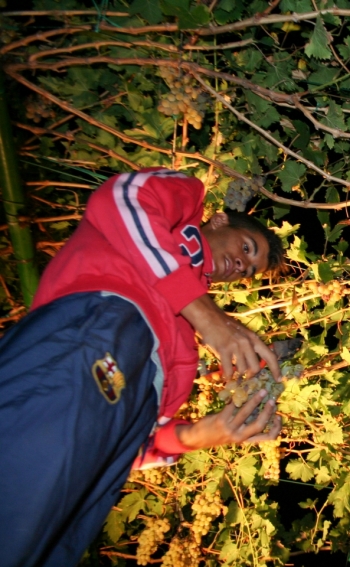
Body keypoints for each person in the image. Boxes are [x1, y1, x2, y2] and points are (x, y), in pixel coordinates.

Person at [0, 168, 287, 566]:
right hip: (104, 329)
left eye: (249, 270)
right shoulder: (183, 209)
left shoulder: (185, 339)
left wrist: (199, 435)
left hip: (101, 473)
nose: (241, 265)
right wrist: (209, 317)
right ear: (219, 221)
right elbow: (121, 199)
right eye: (246, 247)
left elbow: (132, 443)